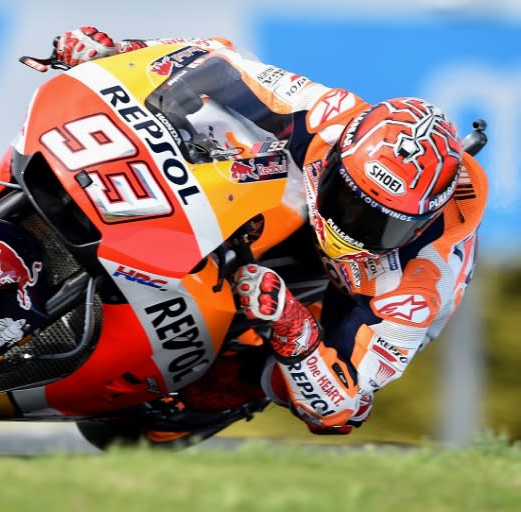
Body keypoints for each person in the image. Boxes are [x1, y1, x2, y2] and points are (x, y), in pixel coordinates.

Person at [53, 27, 489, 435]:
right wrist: (120, 53)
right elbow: (215, 58)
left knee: (270, 379)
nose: (353, 225)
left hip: (351, 291)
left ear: (421, 222)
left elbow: (342, 410)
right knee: (217, 125)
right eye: (349, 199)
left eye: (383, 223)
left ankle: (217, 395)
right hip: (293, 201)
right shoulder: (328, 115)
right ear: (340, 155)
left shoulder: (420, 283)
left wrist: (291, 326)